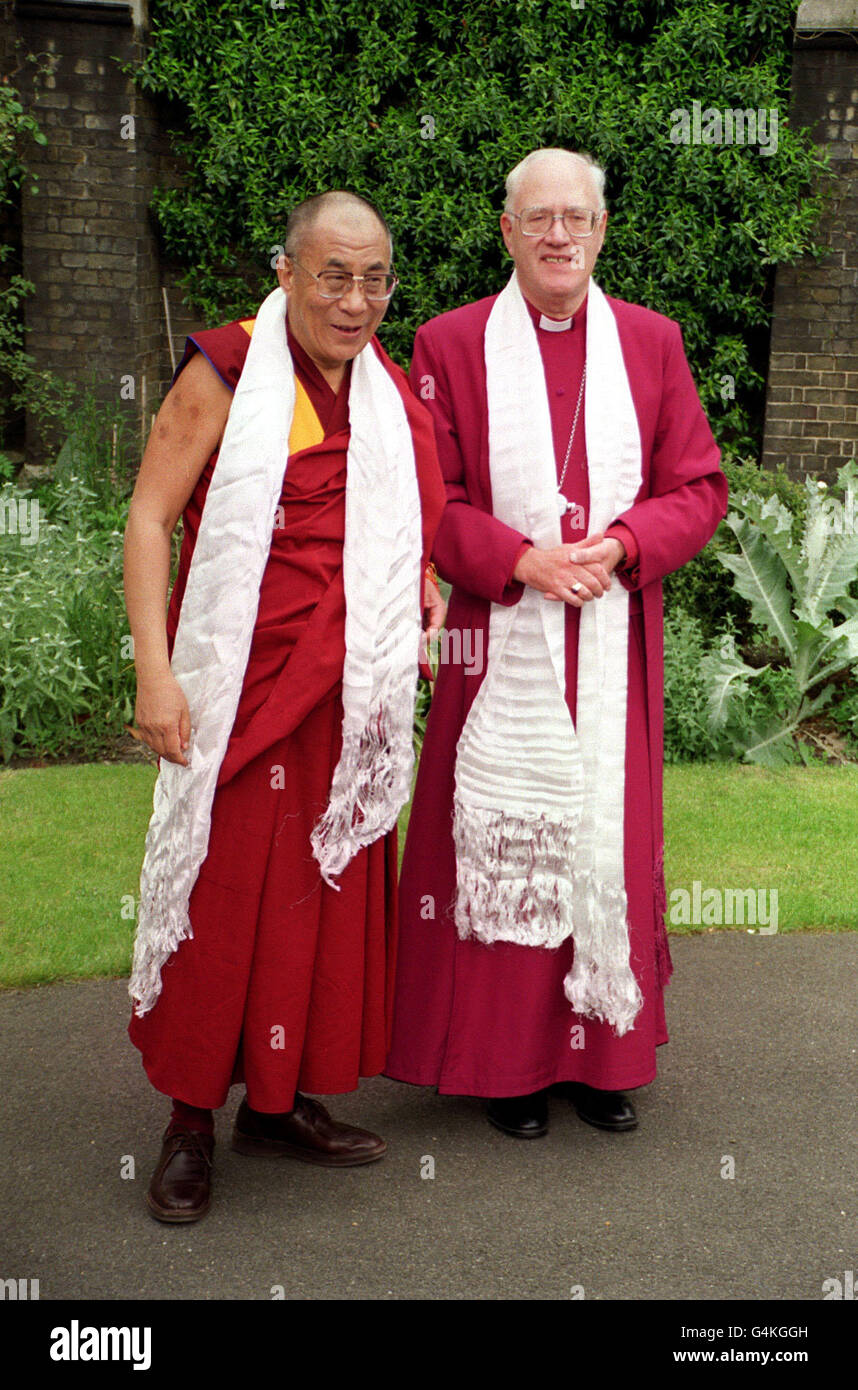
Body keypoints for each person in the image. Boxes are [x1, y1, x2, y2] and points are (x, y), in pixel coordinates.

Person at [385, 149, 728, 1138]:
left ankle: (600, 1056)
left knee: (600, 837)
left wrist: (623, 545)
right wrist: (521, 559)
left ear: (601, 230)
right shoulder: (450, 346)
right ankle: (508, 1069)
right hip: (502, 641)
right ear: (507, 232)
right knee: (507, 834)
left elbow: (698, 488)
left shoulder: (654, 343)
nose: (558, 235)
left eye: (576, 217)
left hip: (612, 641)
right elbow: (427, 499)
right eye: (538, 217)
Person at [124, 190, 446, 1221]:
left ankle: (277, 1100)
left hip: (347, 698)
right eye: (333, 276)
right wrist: (153, 674)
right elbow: (145, 516)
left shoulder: (385, 393)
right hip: (240, 687)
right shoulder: (224, 369)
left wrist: (423, 585)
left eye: (375, 279)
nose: (355, 300)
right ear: (287, 273)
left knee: (324, 893)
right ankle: (187, 1118)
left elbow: (407, 527)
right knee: (225, 901)